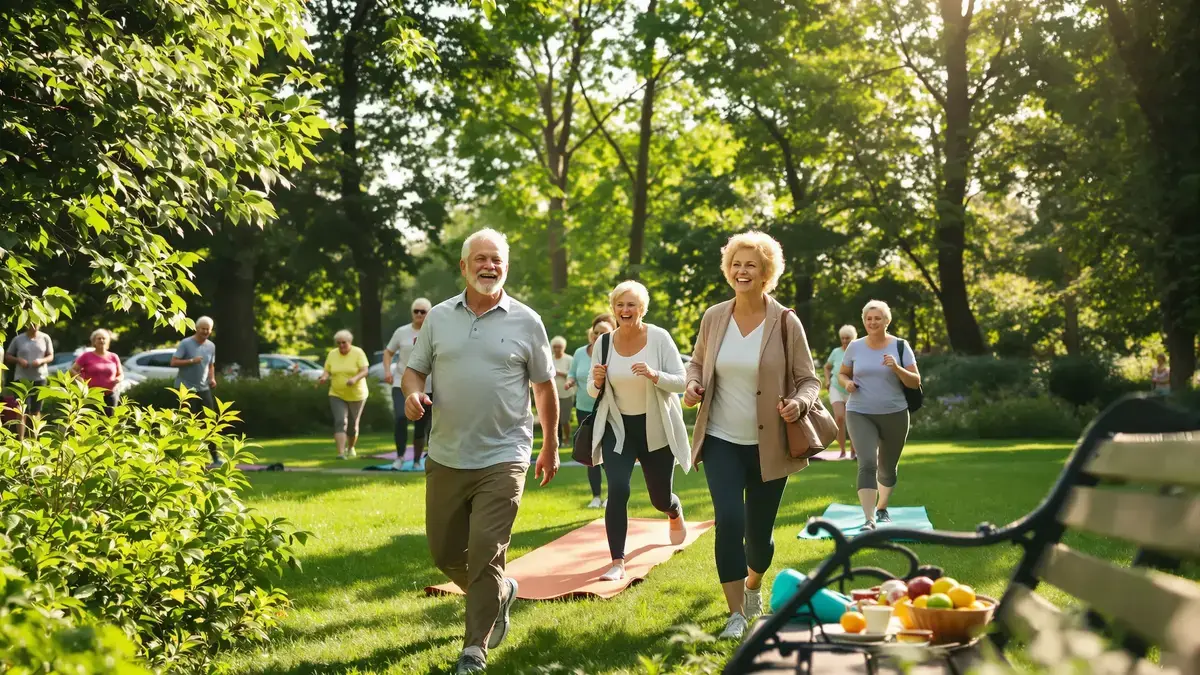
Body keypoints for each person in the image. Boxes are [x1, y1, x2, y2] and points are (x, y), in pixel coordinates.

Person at [401, 228, 559, 675]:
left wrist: (549, 445)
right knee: (445, 553)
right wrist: (413, 396)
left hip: (505, 453)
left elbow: (544, 388)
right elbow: (414, 372)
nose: (489, 266)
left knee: (486, 550)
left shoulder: (527, 320)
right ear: (464, 265)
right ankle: (500, 590)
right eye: (481, 259)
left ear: (506, 267)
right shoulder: (438, 318)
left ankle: (474, 650)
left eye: (497, 260)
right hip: (447, 453)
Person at [683, 231, 821, 640]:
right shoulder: (714, 316)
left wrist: (799, 403)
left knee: (758, 537)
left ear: (766, 273)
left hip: (770, 445)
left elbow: (809, 379)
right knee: (729, 519)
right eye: (736, 264)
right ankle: (735, 615)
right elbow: (696, 363)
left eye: (751, 265)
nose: (742, 271)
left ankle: (754, 585)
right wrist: (692, 384)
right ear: (729, 270)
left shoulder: (785, 321)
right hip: (722, 438)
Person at [587, 280, 690, 583]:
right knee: (617, 488)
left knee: (659, 498)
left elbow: (682, 382)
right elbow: (593, 393)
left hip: (654, 426)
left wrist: (654, 374)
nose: (625, 310)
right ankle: (617, 561)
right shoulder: (604, 343)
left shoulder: (659, 338)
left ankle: (673, 510)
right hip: (618, 428)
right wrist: (595, 380)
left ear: (642, 308)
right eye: (620, 304)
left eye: (631, 304)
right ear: (613, 308)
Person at [838, 300, 921, 531]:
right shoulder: (855, 346)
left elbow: (915, 382)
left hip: (895, 413)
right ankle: (869, 519)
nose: (872, 322)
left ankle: (881, 507)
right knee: (867, 463)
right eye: (868, 318)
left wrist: (896, 368)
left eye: (877, 318)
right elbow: (842, 374)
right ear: (864, 321)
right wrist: (847, 384)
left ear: (887, 321)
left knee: (887, 467)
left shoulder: (900, 346)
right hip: (859, 412)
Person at [566, 314, 615, 508]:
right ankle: (596, 497)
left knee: (609, 455)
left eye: (603, 333)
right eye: (595, 333)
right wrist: (570, 380)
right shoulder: (579, 352)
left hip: (608, 410)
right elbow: (572, 372)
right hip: (584, 410)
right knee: (590, 453)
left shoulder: (614, 352)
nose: (597, 336)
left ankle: (612, 495)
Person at [383, 298, 434, 470]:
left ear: (429, 313)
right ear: (412, 313)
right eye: (416, 311)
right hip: (401, 382)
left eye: (423, 311)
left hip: (427, 385)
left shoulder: (434, 331)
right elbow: (388, 352)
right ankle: (399, 457)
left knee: (422, 423)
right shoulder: (401, 332)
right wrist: (388, 371)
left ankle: (417, 460)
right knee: (400, 418)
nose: (419, 314)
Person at [170, 317, 220, 466]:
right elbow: (173, 362)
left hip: (203, 388)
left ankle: (215, 457)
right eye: (202, 328)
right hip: (185, 388)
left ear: (210, 331)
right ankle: (184, 458)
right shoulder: (186, 343)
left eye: (208, 329)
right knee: (186, 423)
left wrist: (212, 378)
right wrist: (191, 361)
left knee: (210, 422)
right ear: (196, 329)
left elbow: (211, 365)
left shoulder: (211, 346)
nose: (205, 331)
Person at [318, 330, 370, 460]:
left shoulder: (358, 353)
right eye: (338, 343)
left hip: (357, 394)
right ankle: (341, 453)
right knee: (340, 421)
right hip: (336, 393)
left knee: (353, 425)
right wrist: (324, 377)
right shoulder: (332, 354)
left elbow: (365, 371)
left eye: (344, 343)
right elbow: (327, 371)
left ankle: (351, 447)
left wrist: (355, 379)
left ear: (350, 342)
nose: (341, 345)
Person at [4, 324, 54, 440]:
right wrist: (18, 360)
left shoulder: (45, 338)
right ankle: (20, 439)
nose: (34, 326)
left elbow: (51, 356)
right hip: (22, 378)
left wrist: (41, 360)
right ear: (26, 325)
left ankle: (35, 438)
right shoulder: (18, 339)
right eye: (31, 324)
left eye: (36, 324)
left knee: (36, 410)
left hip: (40, 377)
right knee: (21, 409)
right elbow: (8, 355)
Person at [824, 325, 858, 459]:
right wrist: (827, 381)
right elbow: (827, 367)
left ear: (853, 338)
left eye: (847, 338)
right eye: (842, 338)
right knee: (839, 417)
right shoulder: (836, 352)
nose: (844, 341)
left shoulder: (857, 351)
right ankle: (842, 450)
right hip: (835, 388)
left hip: (851, 389)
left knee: (852, 420)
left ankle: (854, 451)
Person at [71, 329, 124, 416]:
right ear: (94, 342)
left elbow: (121, 374)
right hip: (91, 394)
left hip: (110, 394)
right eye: (99, 338)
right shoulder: (86, 356)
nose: (101, 340)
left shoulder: (114, 357)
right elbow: (72, 370)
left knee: (109, 421)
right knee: (91, 420)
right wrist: (81, 381)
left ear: (108, 341)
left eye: (104, 338)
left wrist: (118, 379)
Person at [550, 336, 573, 444]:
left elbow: (573, 375)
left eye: (559, 347)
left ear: (563, 347)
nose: (557, 349)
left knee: (564, 419)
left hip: (567, 394)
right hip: (552, 394)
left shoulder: (569, 359)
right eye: (555, 347)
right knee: (555, 420)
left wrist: (560, 373)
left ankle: (567, 439)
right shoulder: (549, 359)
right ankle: (556, 440)